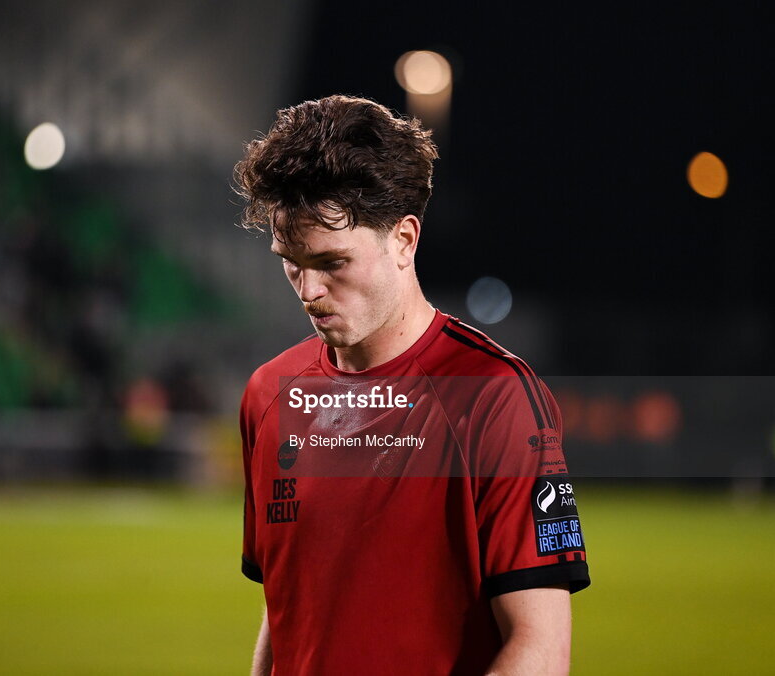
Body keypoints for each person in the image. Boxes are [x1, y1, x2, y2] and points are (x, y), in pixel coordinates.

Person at [233, 94, 589, 675]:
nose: (307, 290)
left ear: (404, 239)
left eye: (332, 262)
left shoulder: (493, 397)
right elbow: (285, 607)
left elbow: (539, 651)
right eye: (291, 260)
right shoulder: (269, 395)